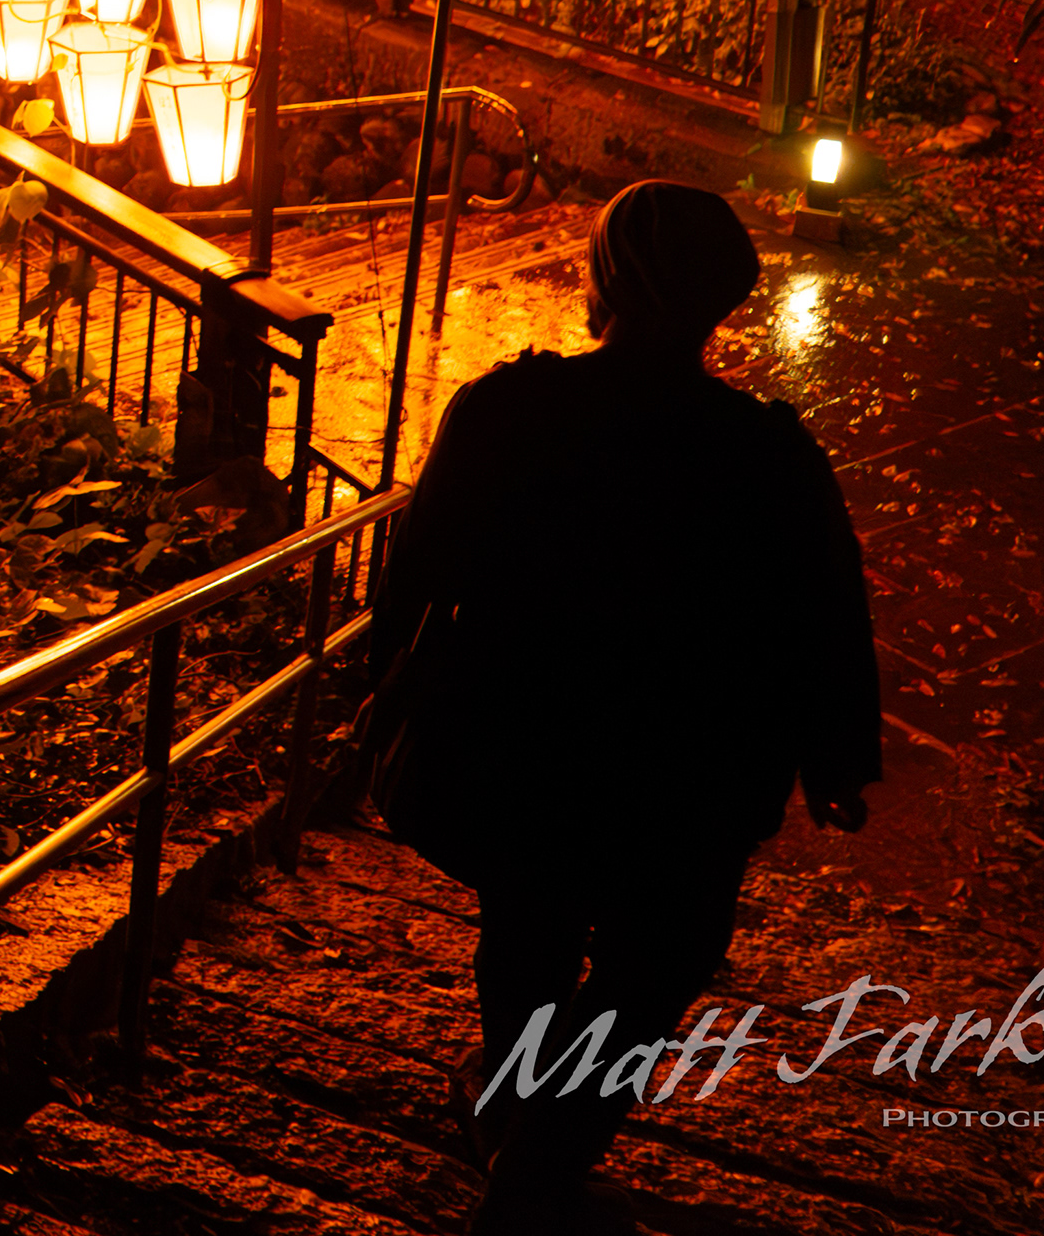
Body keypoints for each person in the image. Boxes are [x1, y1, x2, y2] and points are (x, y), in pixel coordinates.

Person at [362, 179, 881, 1236]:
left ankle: (520, 1126)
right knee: (662, 958)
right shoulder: (768, 450)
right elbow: (821, 606)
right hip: (691, 759)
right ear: (721, 299)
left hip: (524, 733)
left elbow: (416, 567)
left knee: (529, 929)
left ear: (600, 281)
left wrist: (389, 682)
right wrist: (835, 756)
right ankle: (544, 1154)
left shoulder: (507, 409)